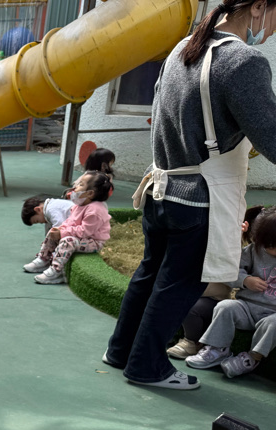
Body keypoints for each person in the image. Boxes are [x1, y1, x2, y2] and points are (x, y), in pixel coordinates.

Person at [105, 0, 276, 390]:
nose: (273, 30)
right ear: (259, 7)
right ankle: (147, 367)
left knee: (149, 275)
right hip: (200, 197)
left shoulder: (183, 49)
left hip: (161, 187)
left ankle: (121, 351)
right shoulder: (244, 61)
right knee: (178, 286)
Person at [185, 206, 276, 377]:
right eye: (269, 245)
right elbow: (230, 271)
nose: (271, 250)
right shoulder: (253, 251)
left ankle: (251, 358)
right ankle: (217, 350)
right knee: (225, 306)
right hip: (247, 308)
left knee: (274, 324)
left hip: (272, 314)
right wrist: (245, 280)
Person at [167, 205, 262, 358]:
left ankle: (192, 342)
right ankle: (166, 335)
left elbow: (232, 269)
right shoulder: (195, 240)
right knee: (168, 300)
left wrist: (235, 236)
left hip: (212, 299)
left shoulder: (235, 249)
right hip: (193, 292)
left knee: (191, 307)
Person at [24, 171, 112, 284]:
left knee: (68, 241)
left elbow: (85, 231)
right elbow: (70, 221)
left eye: (81, 184)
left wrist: (63, 233)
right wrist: (60, 230)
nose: (75, 187)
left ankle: (57, 271)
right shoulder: (80, 205)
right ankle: (43, 259)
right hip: (83, 238)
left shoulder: (95, 210)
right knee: (53, 231)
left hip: (94, 242)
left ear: (90, 193)